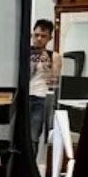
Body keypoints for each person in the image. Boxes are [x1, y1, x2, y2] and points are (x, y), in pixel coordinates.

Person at [29, 19, 60, 153]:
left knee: (33, 136)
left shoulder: (54, 56)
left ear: (50, 38)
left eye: (43, 36)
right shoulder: (23, 53)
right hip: (22, 97)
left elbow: (55, 82)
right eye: (36, 35)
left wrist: (47, 65)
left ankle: (31, 169)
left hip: (40, 99)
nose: (39, 39)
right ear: (32, 35)